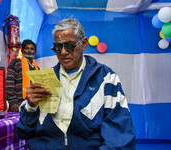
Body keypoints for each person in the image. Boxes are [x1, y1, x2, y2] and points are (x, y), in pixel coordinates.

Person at [16, 18, 136, 149]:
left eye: (69, 45)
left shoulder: (106, 79)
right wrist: (30, 107)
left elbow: (119, 136)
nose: (63, 52)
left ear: (83, 44)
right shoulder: (44, 80)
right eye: (57, 47)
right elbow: (23, 132)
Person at [6, 39, 39, 112]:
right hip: (17, 106)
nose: (29, 51)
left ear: (35, 52)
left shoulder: (37, 68)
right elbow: (9, 83)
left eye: (32, 49)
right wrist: (13, 102)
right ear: (22, 51)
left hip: (34, 106)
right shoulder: (16, 63)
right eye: (26, 48)